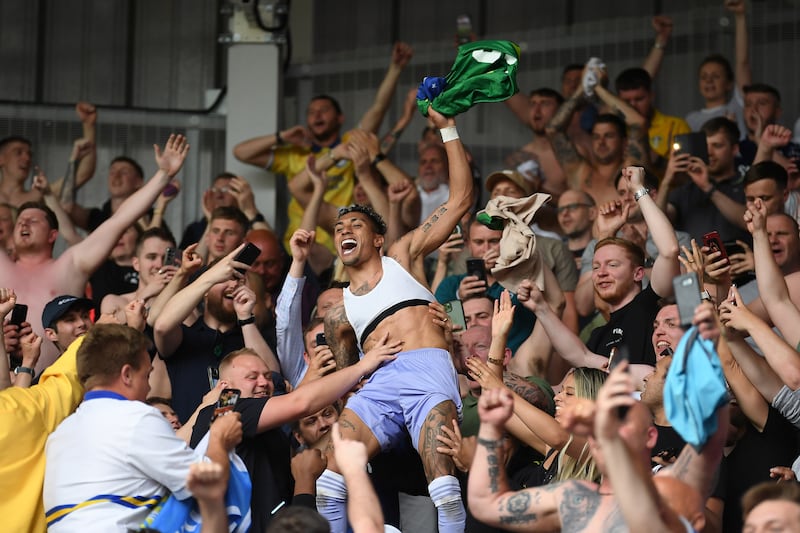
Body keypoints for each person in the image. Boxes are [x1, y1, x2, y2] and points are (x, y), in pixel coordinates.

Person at [318, 107, 472, 533]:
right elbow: (349, 378)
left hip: (426, 367)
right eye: (339, 227)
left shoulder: (401, 256)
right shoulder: (338, 314)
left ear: (378, 238)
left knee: (444, 489)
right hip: (381, 382)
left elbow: (459, 200)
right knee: (329, 484)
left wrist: (447, 130)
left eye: (356, 224)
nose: (345, 229)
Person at [0, 134, 189, 374]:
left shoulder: (70, 264)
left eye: (33, 220)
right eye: (20, 221)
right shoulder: (2, 264)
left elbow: (120, 221)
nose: (23, 223)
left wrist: (164, 175)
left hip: (59, 387)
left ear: (52, 235)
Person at [42, 323, 243, 532]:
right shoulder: (136, 417)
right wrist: (220, 439)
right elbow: (208, 483)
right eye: (146, 376)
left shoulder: (60, 432)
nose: (148, 388)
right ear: (127, 374)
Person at [190, 343, 396, 532]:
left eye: (268, 376)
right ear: (225, 388)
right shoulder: (226, 409)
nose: (263, 382)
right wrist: (362, 366)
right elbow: (300, 403)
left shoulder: (269, 430)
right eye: (252, 377)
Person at [233, 42, 412, 254]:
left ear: (340, 118)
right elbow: (240, 152)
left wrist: (395, 69)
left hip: (337, 245)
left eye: (324, 110)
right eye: (311, 112)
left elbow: (378, 109)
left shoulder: (351, 143)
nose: (317, 115)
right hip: (297, 244)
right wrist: (281, 136)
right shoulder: (295, 154)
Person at [154, 244, 279, 422]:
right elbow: (161, 326)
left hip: (241, 441)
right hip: (188, 443)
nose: (233, 284)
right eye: (225, 278)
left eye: (239, 279)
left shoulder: (253, 337)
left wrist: (245, 317)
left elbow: (272, 377)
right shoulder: (184, 336)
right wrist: (209, 278)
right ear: (205, 290)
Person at [659, 117, 750, 243]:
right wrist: (666, 181)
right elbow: (657, 223)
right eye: (705, 146)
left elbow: (749, 221)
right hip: (694, 261)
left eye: (717, 146)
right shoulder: (687, 190)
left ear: (734, 149)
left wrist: (708, 188)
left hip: (738, 259)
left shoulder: (747, 184)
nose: (709, 152)